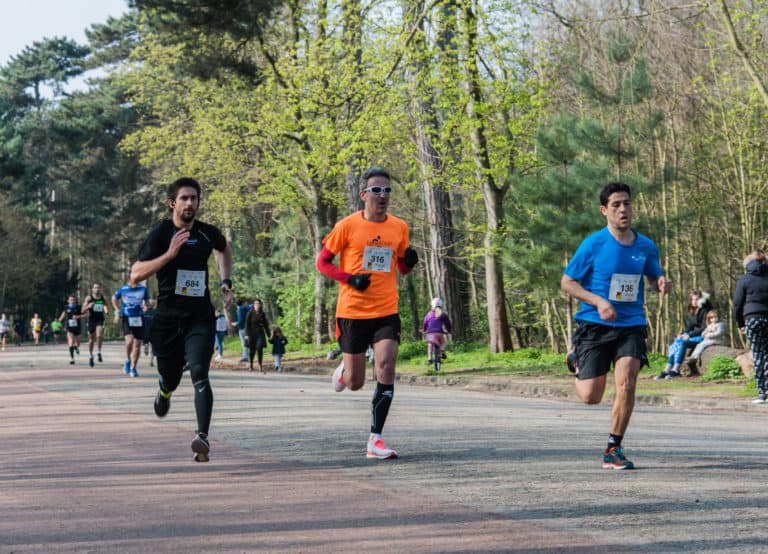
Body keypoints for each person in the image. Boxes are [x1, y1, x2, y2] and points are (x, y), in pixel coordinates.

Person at [561, 182, 672, 470]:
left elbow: (653, 275)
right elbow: (567, 282)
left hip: (631, 324)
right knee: (591, 397)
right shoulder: (593, 244)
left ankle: (613, 447)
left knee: (627, 383)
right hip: (595, 324)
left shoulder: (646, 246)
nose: (623, 209)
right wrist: (598, 301)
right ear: (604, 210)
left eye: (627, 203)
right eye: (616, 205)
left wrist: (660, 282)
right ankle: (576, 359)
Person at [316, 166, 418, 460]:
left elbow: (401, 267)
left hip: (386, 309)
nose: (383, 195)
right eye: (376, 190)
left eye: (387, 190)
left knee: (386, 366)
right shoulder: (347, 226)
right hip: (352, 311)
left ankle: (376, 439)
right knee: (355, 382)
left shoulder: (399, 227)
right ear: (363, 195)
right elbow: (323, 263)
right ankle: (344, 371)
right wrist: (349, 278)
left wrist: (409, 262)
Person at [130, 177, 233, 462]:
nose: (190, 203)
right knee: (172, 377)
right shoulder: (162, 233)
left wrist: (226, 282)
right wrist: (170, 254)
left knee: (200, 371)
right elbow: (136, 274)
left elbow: (223, 248)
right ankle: (164, 391)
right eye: (184, 198)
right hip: (167, 320)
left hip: (199, 316)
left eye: (194, 198)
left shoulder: (206, 233)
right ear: (172, 203)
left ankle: (202, 438)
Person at [732, 249, 768, 404]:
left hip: (752, 319)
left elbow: (737, 304)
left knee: (758, 354)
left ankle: (762, 393)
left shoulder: (744, 279)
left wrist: (740, 323)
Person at [655, 291, 713, 379]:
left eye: (697, 299)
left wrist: (689, 335)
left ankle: (676, 369)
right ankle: (667, 369)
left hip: (703, 336)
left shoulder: (705, 311)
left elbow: (704, 328)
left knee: (682, 343)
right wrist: (682, 334)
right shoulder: (692, 311)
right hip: (692, 335)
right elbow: (689, 327)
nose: (694, 301)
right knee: (676, 342)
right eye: (692, 299)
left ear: (701, 300)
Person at [112, 280, 150, 378]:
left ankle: (133, 368)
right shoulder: (123, 289)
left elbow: (147, 302)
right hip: (127, 317)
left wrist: (146, 306)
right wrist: (117, 311)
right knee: (129, 342)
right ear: (130, 280)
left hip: (139, 318)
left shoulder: (143, 289)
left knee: (137, 344)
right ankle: (128, 360)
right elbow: (113, 298)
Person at [82, 283, 109, 367]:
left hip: (100, 320)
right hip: (91, 320)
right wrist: (88, 307)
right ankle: (90, 355)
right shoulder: (89, 298)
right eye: (95, 288)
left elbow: (105, 305)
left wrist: (106, 311)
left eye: (98, 288)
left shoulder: (103, 297)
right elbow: (82, 310)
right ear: (92, 289)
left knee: (99, 336)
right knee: (91, 340)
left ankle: (99, 352)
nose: (97, 289)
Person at [421, 297, 452, 363]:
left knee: (430, 344)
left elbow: (425, 323)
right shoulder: (443, 314)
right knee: (443, 342)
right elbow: (448, 323)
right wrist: (448, 330)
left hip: (430, 333)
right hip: (439, 332)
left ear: (432, 305)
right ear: (441, 305)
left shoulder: (428, 314)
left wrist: (424, 330)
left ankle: (429, 359)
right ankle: (442, 351)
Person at [245, 299, 269, 372]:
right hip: (251, 334)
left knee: (259, 348)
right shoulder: (250, 313)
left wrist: (269, 334)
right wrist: (247, 335)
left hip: (260, 334)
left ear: (260, 305)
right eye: (255, 303)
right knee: (252, 351)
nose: (257, 305)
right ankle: (251, 364)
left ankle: (260, 365)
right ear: (253, 305)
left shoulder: (262, 313)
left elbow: (266, 324)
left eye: (258, 303)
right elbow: (246, 324)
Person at [58, 295, 84, 364]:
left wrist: (78, 316)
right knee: (71, 341)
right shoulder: (66, 307)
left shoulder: (79, 307)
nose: (72, 301)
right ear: (68, 301)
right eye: (71, 300)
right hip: (69, 327)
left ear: (75, 301)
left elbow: (85, 314)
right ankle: (72, 358)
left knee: (78, 343)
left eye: (73, 300)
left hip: (77, 327)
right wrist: (60, 320)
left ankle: (76, 347)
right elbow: (63, 314)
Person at [142, 299, 157, 366]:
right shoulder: (143, 312)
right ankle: (146, 347)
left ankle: (151, 361)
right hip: (146, 331)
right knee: (150, 346)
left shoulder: (156, 312)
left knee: (153, 348)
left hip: (153, 331)